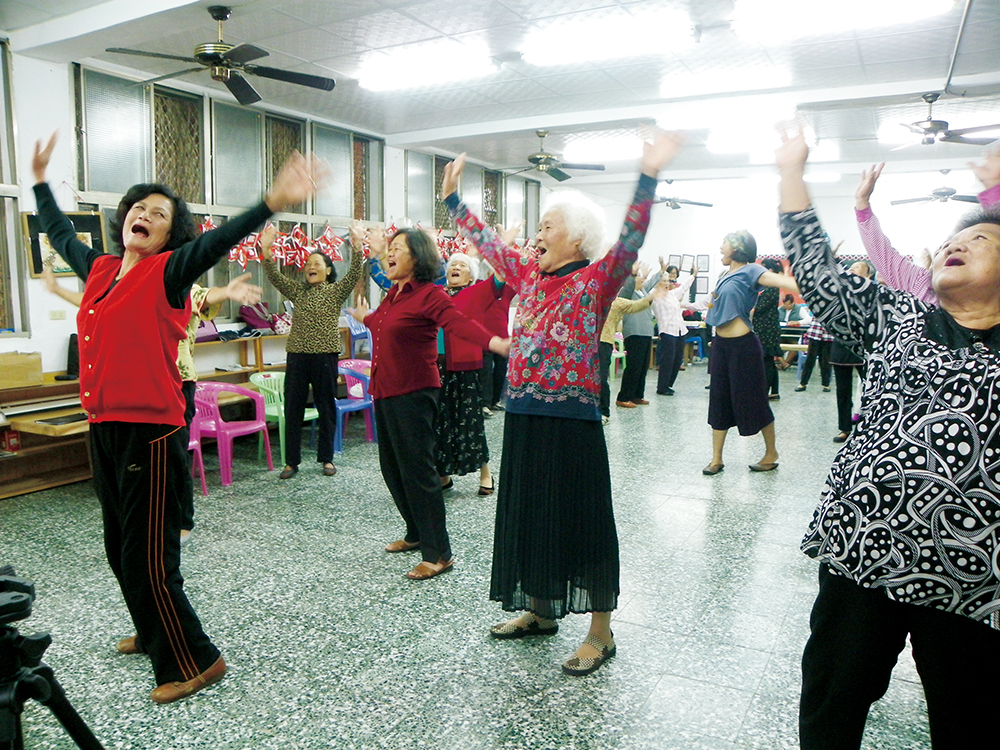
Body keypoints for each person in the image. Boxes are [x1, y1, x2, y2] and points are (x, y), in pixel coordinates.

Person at [30, 132, 323, 703]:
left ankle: (195, 658)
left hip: (152, 430)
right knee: (120, 545)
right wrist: (40, 183)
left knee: (149, 552)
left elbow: (215, 242)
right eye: (138, 208)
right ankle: (151, 627)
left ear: (169, 233)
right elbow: (62, 234)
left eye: (158, 214)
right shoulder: (101, 270)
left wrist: (269, 204)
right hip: (105, 425)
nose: (143, 215)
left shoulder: (167, 273)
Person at [777, 123, 1000, 750]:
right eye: (955, 238)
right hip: (864, 555)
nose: (959, 243)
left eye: (979, 238)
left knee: (971, 718)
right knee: (832, 697)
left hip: (975, 579)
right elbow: (818, 273)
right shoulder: (900, 315)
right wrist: (793, 172)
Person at [442, 130, 686, 676]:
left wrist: (647, 177)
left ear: (577, 238)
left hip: (573, 420)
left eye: (548, 225)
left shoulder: (597, 280)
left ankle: (601, 633)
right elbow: (487, 245)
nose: (538, 233)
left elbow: (630, 238)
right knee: (529, 514)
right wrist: (454, 201)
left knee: (581, 520)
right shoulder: (527, 274)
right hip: (524, 415)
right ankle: (539, 611)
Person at [40, 263, 262, 542]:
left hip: (177, 382)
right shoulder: (133, 288)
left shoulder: (179, 288)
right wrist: (58, 289)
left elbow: (203, 297)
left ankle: (182, 521)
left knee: (176, 453)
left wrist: (226, 292)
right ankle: (141, 519)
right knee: (139, 460)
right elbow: (94, 303)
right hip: (140, 384)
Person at [350, 227, 508, 581]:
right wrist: (366, 318)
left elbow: (459, 324)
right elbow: (384, 323)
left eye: (397, 249)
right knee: (393, 469)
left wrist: (493, 342)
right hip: (386, 390)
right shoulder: (395, 294)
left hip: (415, 393)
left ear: (418, 257)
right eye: (388, 249)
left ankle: (439, 553)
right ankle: (416, 532)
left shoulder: (430, 295)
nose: (389, 254)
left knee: (420, 473)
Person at [259, 223, 364, 479]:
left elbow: (354, 274)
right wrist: (266, 251)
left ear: (328, 271)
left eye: (317, 263)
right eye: (308, 264)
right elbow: (274, 276)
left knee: (326, 407)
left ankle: (326, 458)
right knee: (292, 408)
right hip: (297, 355)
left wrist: (358, 247)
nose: (311, 267)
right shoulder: (297, 290)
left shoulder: (336, 290)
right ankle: (291, 462)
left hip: (325, 356)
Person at [702, 231, 799, 475]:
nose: (720, 247)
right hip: (722, 346)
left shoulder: (751, 271)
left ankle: (771, 452)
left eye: (724, 243)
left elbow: (781, 282)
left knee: (754, 400)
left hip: (744, 347)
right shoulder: (725, 275)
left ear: (736, 247)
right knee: (718, 400)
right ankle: (716, 459)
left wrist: (803, 278)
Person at [854, 150, 1000, 304]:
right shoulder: (921, 286)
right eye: (945, 247)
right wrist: (862, 203)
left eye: (978, 238)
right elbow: (882, 253)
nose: (954, 247)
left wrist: (994, 191)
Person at [435, 252, 504, 495]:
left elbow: (499, 278)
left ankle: (486, 473)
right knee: (440, 422)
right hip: (437, 368)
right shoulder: (437, 294)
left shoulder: (476, 293)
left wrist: (500, 249)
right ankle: (443, 475)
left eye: (462, 265)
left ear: (470, 275)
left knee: (471, 421)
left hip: (466, 366)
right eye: (453, 264)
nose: (456, 267)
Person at [599, 285, 667, 422]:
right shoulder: (591, 300)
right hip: (585, 342)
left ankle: (603, 412)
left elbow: (637, 305)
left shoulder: (617, 302)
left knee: (601, 378)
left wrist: (650, 296)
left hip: (603, 342)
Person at [829, 261, 870, 443]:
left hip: (865, 347)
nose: (853, 268)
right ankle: (844, 428)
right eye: (851, 266)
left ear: (868, 276)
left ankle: (869, 427)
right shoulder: (841, 291)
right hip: (842, 345)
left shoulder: (872, 292)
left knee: (871, 390)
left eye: (858, 267)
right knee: (842, 391)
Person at [615, 261, 657, 407]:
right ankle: (624, 397)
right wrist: (633, 274)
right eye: (639, 277)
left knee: (643, 366)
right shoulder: (629, 293)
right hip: (634, 333)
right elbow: (627, 287)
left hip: (646, 333)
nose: (642, 279)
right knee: (634, 366)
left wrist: (659, 272)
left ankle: (637, 395)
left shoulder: (643, 291)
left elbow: (650, 283)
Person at [651, 261, 697, 396]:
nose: (667, 283)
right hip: (667, 332)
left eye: (668, 281)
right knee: (667, 361)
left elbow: (683, 288)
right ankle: (662, 387)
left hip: (680, 331)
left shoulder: (672, 295)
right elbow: (649, 287)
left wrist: (693, 275)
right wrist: (660, 271)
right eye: (663, 281)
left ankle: (669, 384)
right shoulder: (655, 297)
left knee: (677, 360)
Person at [752, 258, 785, 400]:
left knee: (766, 361)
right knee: (769, 361)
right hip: (767, 328)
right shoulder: (769, 287)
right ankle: (774, 391)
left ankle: (764, 392)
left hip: (767, 329)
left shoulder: (771, 286)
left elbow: (759, 308)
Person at [795, 318, 832, 392]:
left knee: (826, 361)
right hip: (815, 333)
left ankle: (826, 384)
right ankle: (803, 383)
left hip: (828, 335)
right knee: (809, 360)